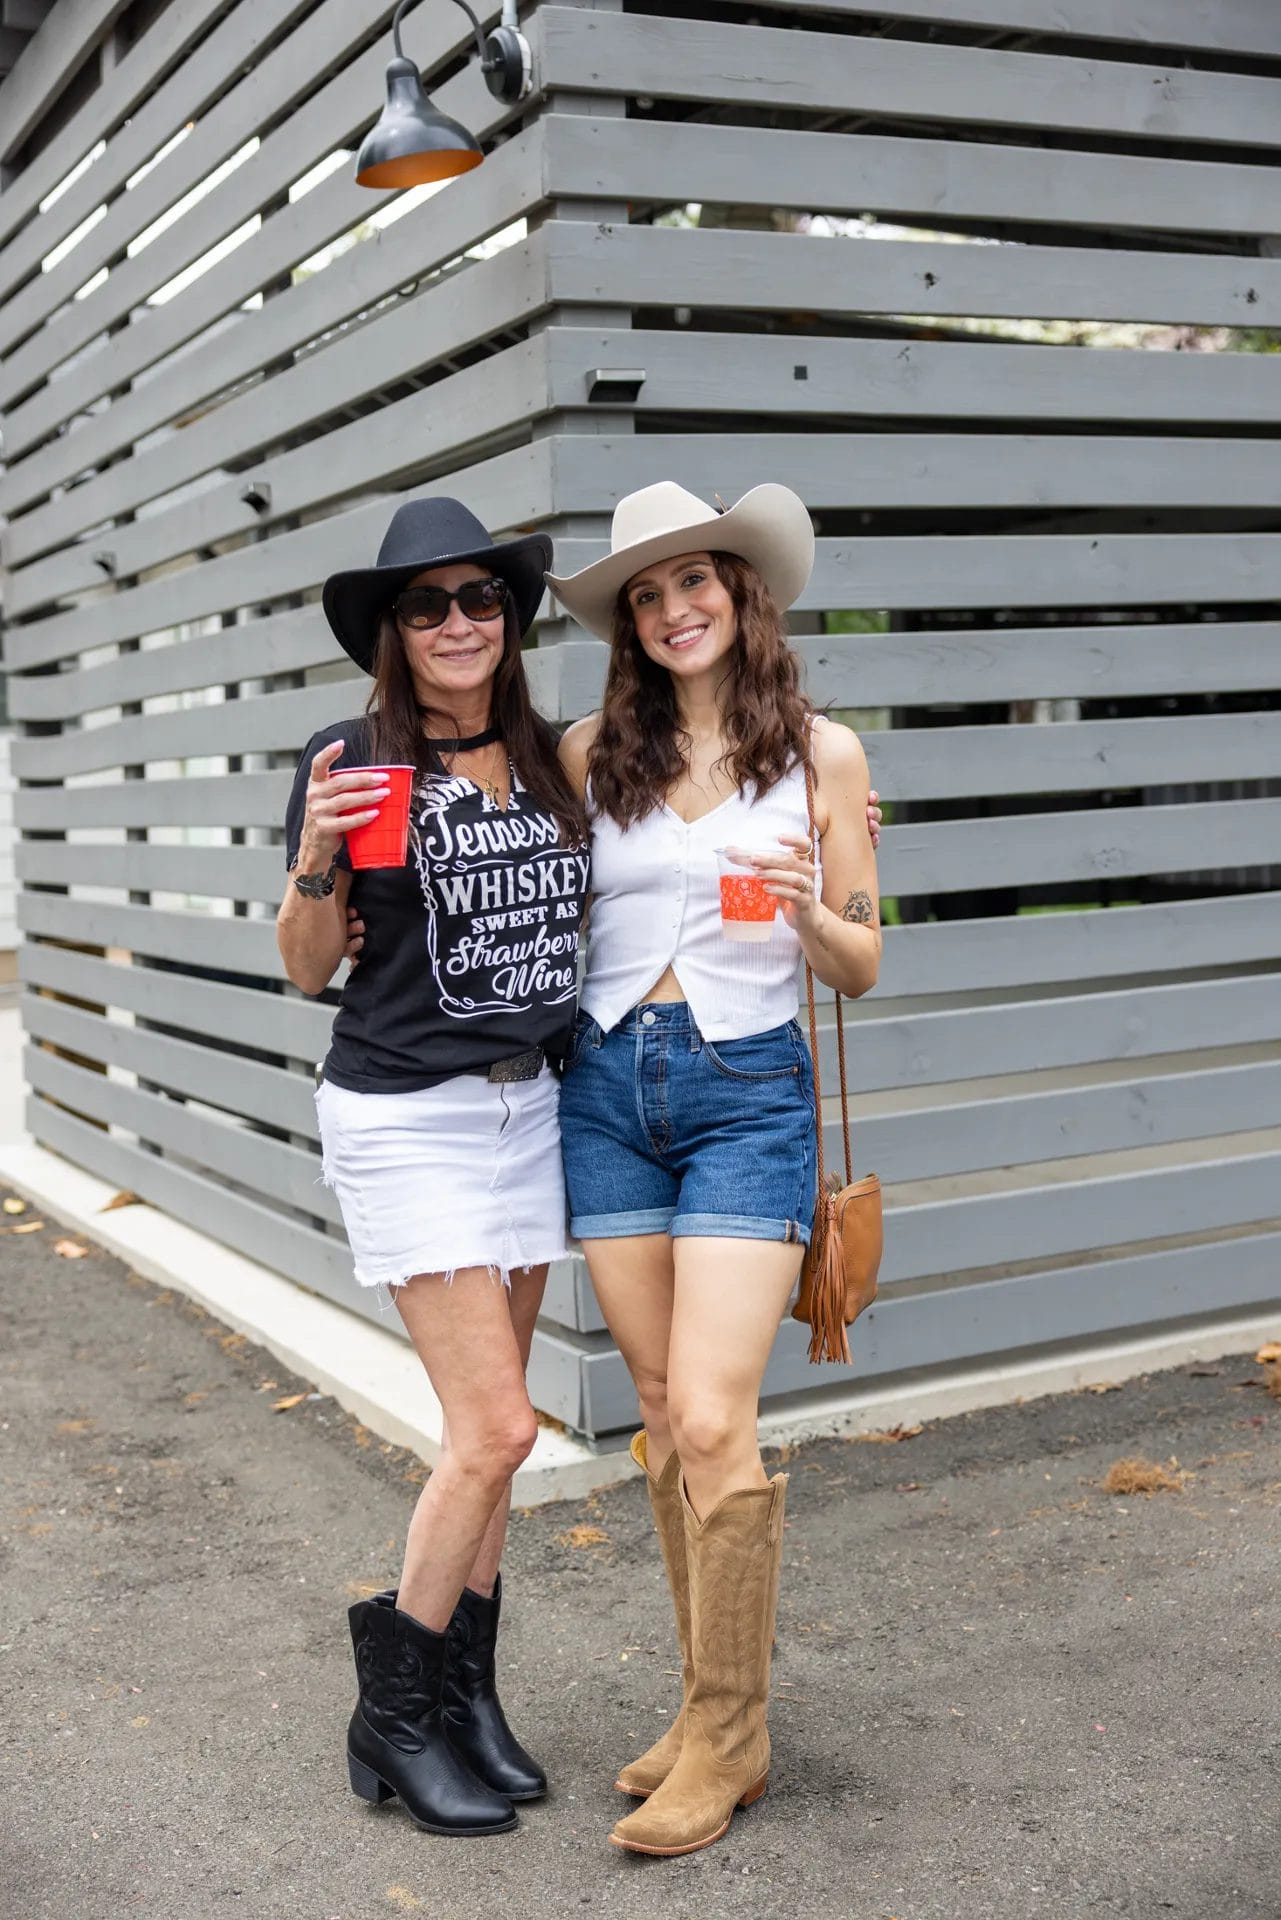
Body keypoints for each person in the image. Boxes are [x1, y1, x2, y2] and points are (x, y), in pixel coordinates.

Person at [547, 482, 882, 1857]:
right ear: (629, 623)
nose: (675, 607)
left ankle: (734, 1737)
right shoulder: (587, 755)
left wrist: (808, 904)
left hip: (746, 1090)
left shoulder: (823, 755)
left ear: (746, 597)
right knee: (650, 1400)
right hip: (609, 1086)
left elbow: (862, 958)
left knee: (707, 1411)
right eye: (647, 591)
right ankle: (701, 1710)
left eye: (699, 581)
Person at [277, 497, 589, 1837]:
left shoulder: (551, 756)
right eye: (426, 605)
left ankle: (464, 1700)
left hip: (532, 1113)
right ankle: (391, 1718)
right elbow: (305, 970)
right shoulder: (350, 756)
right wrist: (315, 853)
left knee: (497, 1447)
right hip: (408, 1115)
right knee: (498, 1428)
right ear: (393, 635)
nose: (458, 621)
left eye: (478, 599)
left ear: (508, 620)